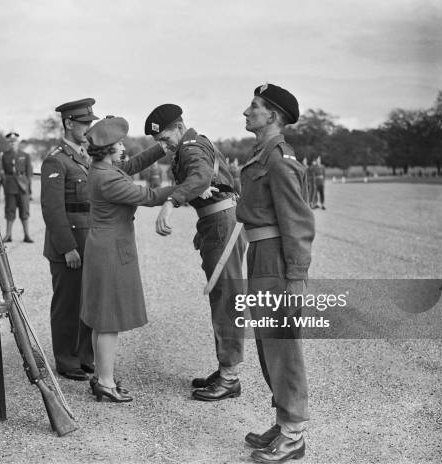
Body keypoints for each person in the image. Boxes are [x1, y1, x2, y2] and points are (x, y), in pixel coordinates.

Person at [145, 103, 245, 401]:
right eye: (159, 142)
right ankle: (226, 367)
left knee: (226, 298)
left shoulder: (189, 147)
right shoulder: (192, 144)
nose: (164, 145)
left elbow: (201, 177)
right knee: (221, 296)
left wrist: (170, 202)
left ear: (179, 126)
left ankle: (230, 377)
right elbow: (202, 180)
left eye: (165, 138)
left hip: (221, 222)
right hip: (215, 221)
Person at [237, 84, 314, 462]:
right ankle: (285, 420)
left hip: (275, 260)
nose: (246, 112)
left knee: (283, 347)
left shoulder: (280, 159)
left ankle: (294, 434)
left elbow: (298, 222)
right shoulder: (262, 154)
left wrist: (296, 278)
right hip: (260, 254)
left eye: (254, 107)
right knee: (269, 345)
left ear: (274, 116)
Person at [79, 116, 174, 402]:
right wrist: (187, 191)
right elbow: (150, 195)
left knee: (100, 318)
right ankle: (106, 383)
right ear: (108, 149)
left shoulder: (101, 168)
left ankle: (100, 376)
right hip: (111, 249)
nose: (123, 147)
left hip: (104, 245)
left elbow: (131, 167)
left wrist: (160, 148)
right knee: (109, 320)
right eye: (119, 143)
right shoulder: (107, 178)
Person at [40, 98, 99, 381]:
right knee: (68, 305)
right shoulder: (56, 159)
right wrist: (68, 248)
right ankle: (66, 359)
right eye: (85, 123)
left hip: (89, 243)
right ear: (68, 123)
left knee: (87, 302)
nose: (89, 128)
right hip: (69, 246)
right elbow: (52, 209)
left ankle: (85, 356)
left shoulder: (86, 158)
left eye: (91, 122)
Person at [2, 132, 33, 243]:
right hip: (10, 187)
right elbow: (4, 173)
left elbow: (29, 173)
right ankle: (8, 235)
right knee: (10, 211)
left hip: (23, 187)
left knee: (24, 211)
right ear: (8, 143)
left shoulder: (25, 155)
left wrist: (29, 189)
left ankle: (27, 235)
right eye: (10, 142)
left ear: (18, 142)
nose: (12, 144)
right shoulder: (4, 156)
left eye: (14, 142)